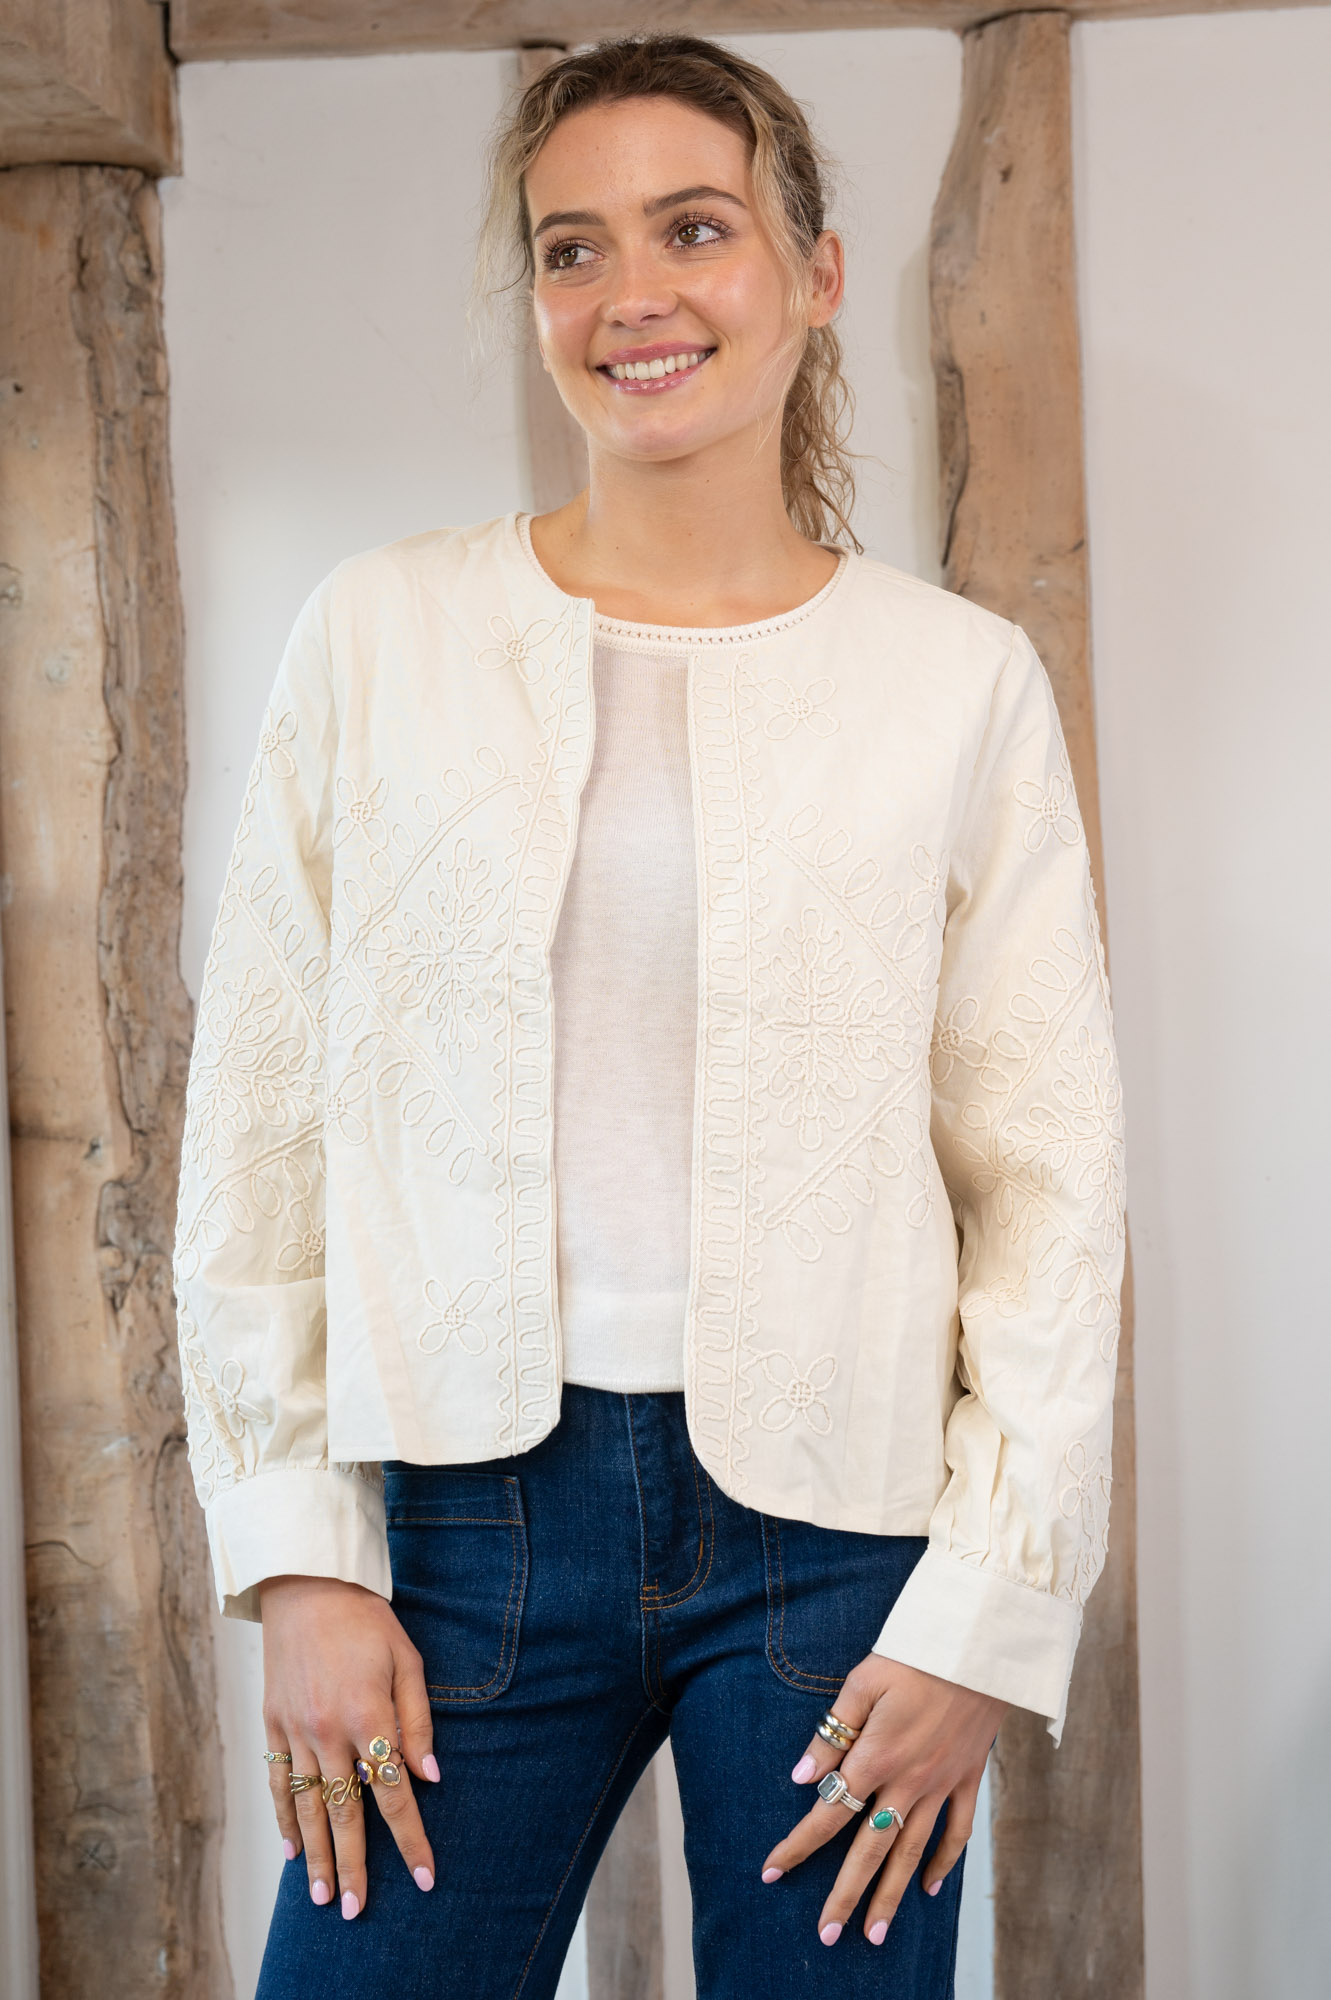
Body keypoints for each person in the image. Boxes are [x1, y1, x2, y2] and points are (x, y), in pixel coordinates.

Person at [172, 32, 1125, 2000]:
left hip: (842, 1535)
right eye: (571, 247)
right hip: (457, 1529)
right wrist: (299, 1552)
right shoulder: (380, 635)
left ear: (815, 272)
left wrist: (985, 1614)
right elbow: (259, 1115)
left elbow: (1047, 1177)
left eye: (694, 229)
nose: (633, 295)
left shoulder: (955, 683)